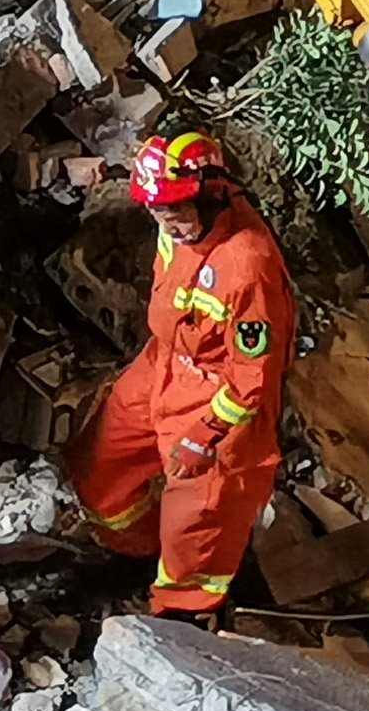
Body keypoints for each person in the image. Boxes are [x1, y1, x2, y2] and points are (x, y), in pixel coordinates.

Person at [68, 127, 296, 619]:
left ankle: (180, 613)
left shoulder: (245, 266)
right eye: (157, 209)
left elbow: (252, 376)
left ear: (212, 192)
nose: (166, 221)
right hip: (166, 361)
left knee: (199, 515)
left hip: (218, 394)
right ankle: (133, 554)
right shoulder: (174, 217)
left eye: (174, 209)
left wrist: (205, 434)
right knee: (101, 459)